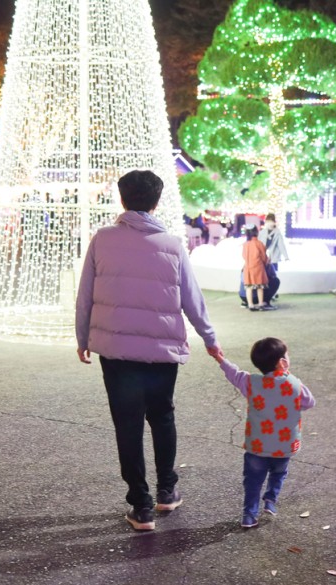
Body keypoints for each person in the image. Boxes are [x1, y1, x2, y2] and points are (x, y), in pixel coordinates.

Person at [75, 169, 222, 532]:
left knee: (127, 424)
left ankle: (141, 507)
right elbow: (192, 298)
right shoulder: (172, 244)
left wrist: (82, 338)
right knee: (162, 416)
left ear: (122, 199)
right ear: (156, 201)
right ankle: (167, 492)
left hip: (116, 349)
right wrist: (209, 337)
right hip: (162, 349)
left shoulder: (102, 239)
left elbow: (85, 294)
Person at [216, 337, 316, 528]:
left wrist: (221, 359)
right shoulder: (294, 385)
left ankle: (249, 515)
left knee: (252, 481)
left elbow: (234, 374)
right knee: (279, 473)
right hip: (284, 446)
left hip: (257, 447)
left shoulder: (252, 383)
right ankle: (270, 500)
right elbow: (309, 402)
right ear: (282, 362)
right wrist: (289, 378)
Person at [242, 225, 271, 311]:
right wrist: (267, 261)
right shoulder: (259, 244)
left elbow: (243, 256)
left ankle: (250, 304)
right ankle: (261, 303)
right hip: (258, 268)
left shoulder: (245, 244)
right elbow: (263, 256)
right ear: (256, 232)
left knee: (249, 287)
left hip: (248, 268)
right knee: (260, 287)